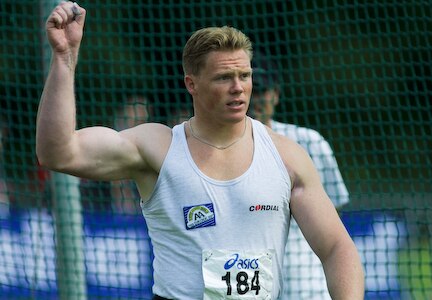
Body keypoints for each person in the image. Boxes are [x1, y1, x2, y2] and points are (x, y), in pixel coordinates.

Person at [36, 2, 364, 299]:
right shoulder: (158, 146)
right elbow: (59, 152)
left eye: (244, 75)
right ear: (191, 84)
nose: (238, 87)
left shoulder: (287, 155)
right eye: (224, 77)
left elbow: (337, 248)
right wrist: (64, 58)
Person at [250, 52, 351, 299]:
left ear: (275, 94)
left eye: (261, 91)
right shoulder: (216, 150)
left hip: (305, 283)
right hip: (248, 282)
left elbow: (332, 218)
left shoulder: (309, 143)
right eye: (250, 90)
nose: (254, 99)